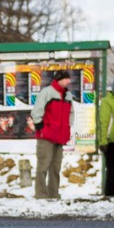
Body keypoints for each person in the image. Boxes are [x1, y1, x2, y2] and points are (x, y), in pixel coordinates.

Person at [30, 70, 74, 200]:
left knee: (55, 168)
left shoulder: (68, 95)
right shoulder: (47, 92)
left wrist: (68, 127)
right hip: (46, 136)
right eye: (66, 79)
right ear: (59, 79)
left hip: (60, 137)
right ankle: (41, 194)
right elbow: (37, 110)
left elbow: (71, 113)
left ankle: (54, 194)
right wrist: (41, 127)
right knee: (43, 166)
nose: (69, 81)